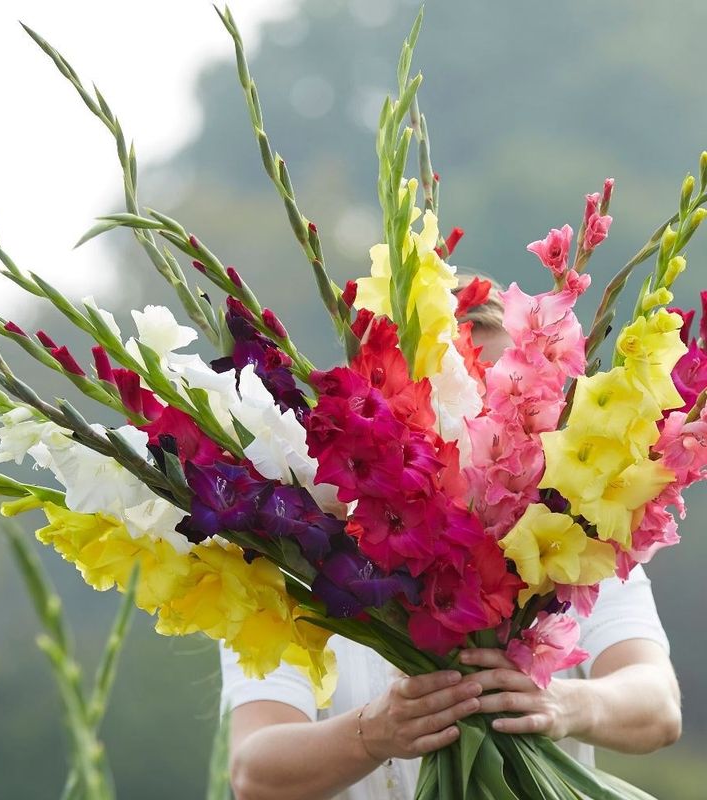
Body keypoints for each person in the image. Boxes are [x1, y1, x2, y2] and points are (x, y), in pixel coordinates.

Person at [221, 276, 682, 800]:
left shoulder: (576, 533)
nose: (491, 429)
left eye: (511, 404)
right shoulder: (305, 552)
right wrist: (374, 734)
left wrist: (563, 705)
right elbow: (254, 773)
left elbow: (657, 706)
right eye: (462, 404)